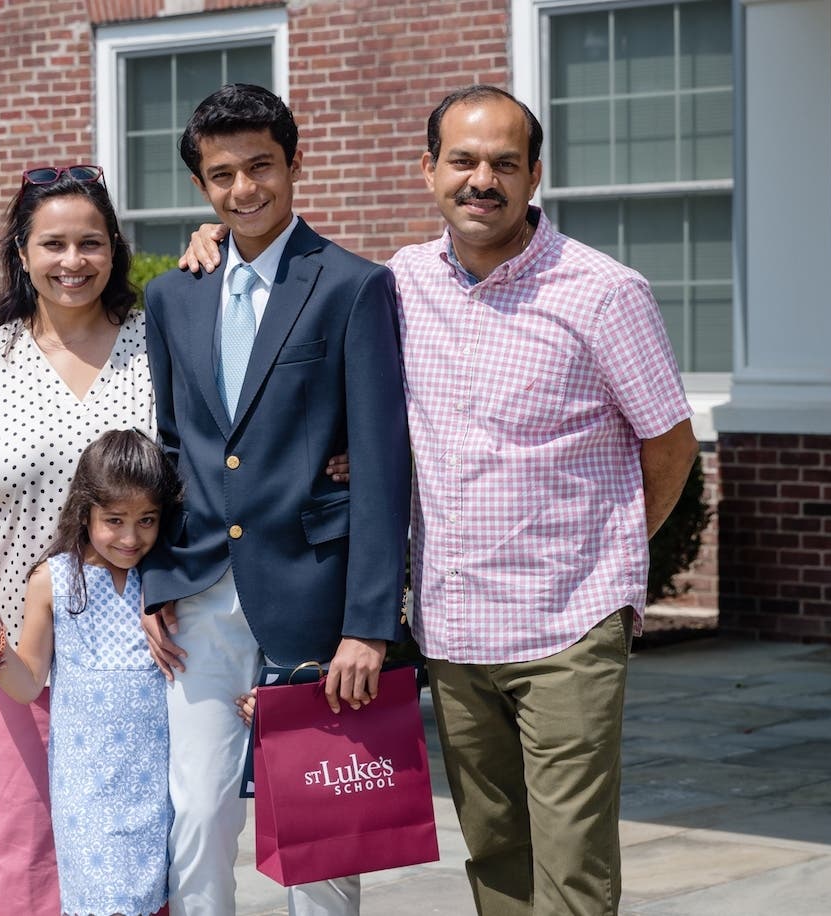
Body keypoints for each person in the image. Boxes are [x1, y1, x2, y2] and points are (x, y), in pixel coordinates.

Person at [181, 84, 700, 915]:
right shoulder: (401, 282)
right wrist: (219, 240)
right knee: (493, 852)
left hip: (569, 622)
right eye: (462, 161)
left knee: (570, 863)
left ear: (534, 175)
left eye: (503, 163)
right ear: (429, 171)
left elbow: (670, 444)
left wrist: (614, 557)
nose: (481, 180)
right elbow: (305, 320)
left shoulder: (606, 293)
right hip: (455, 629)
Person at [139, 83, 411, 916]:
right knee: (196, 814)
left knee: (320, 834)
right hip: (199, 595)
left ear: (295, 164)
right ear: (200, 186)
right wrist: (157, 576)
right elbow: (176, 446)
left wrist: (368, 625)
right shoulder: (173, 295)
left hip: (312, 593)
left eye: (261, 166)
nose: (244, 189)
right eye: (222, 175)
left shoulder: (353, 286)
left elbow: (381, 464)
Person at [0, 164, 155, 915]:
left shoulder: (158, 348)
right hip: (15, 646)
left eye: (90, 242)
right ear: (22, 253)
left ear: (114, 249)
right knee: (21, 837)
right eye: (52, 244)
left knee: (134, 835)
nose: (72, 261)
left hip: (138, 650)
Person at [0, 429, 180, 916]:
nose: (130, 538)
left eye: (147, 520)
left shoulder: (166, 580)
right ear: (85, 511)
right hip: (85, 790)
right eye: (114, 520)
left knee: (150, 900)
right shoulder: (53, 579)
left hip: (155, 783)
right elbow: (27, 682)